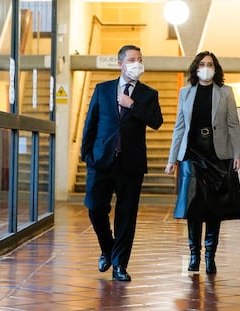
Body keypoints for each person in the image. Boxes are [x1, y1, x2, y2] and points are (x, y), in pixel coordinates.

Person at [81, 45, 163, 282]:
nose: (136, 63)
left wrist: (133, 106)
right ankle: (107, 248)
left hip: (131, 164)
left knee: (126, 216)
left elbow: (157, 121)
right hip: (101, 161)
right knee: (95, 208)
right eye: (131, 59)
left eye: (139, 59)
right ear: (120, 64)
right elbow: (91, 123)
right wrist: (87, 156)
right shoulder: (102, 89)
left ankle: (119, 265)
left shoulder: (148, 94)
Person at [165, 51, 240, 274]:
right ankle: (194, 255)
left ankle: (210, 256)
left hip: (217, 156)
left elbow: (233, 125)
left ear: (216, 68)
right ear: (196, 68)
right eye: (202, 64)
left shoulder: (226, 93)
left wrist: (238, 155)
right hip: (191, 155)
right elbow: (179, 126)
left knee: (214, 208)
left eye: (210, 64)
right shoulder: (185, 92)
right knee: (193, 207)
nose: (206, 68)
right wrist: (173, 159)